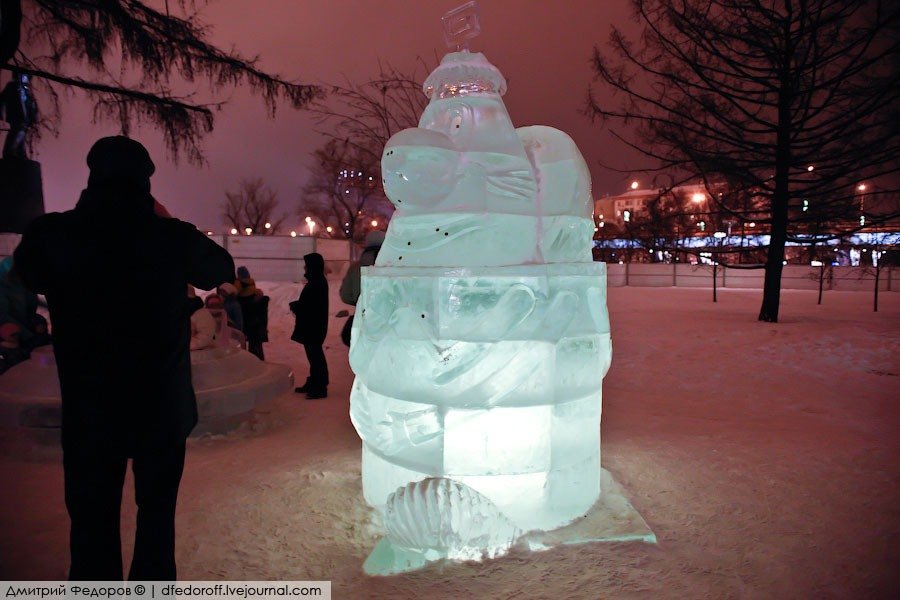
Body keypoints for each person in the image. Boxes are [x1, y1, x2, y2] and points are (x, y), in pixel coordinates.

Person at [13, 135, 235, 581]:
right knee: (156, 523)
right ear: (146, 181)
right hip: (161, 409)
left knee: (91, 526)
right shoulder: (169, 237)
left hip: (91, 411)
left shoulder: (52, 234)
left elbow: (26, 273)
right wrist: (166, 221)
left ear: (92, 174)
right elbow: (218, 269)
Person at [289, 252, 329, 399]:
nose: (304, 267)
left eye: (307, 264)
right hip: (314, 326)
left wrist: (297, 306)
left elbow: (311, 307)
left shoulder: (316, 282)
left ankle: (319, 386)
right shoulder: (317, 281)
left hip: (313, 327)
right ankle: (315, 382)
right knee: (314, 356)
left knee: (315, 356)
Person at [339, 230, 384, 346]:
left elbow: (345, 295)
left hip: (362, 319)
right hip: (387, 322)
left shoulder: (355, 268)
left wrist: (358, 300)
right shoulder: (393, 268)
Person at [0, 71, 38, 160]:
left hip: (24, 117)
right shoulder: (12, 86)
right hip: (16, 115)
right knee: (18, 131)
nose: (26, 79)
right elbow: (2, 99)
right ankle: (9, 152)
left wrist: (33, 117)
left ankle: (19, 153)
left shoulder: (26, 90)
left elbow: (31, 104)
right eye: (24, 76)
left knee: (21, 133)